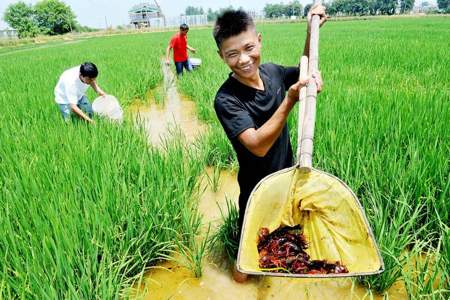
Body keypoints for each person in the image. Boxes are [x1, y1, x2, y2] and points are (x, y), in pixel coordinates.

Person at [213, 6, 327, 283]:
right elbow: (257, 145)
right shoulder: (227, 99)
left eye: (248, 48)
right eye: (232, 54)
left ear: (259, 40)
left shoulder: (273, 72)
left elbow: (305, 68)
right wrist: (289, 100)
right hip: (256, 191)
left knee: (289, 248)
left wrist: (311, 32)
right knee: (242, 276)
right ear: (221, 57)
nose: (243, 59)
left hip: (287, 180)